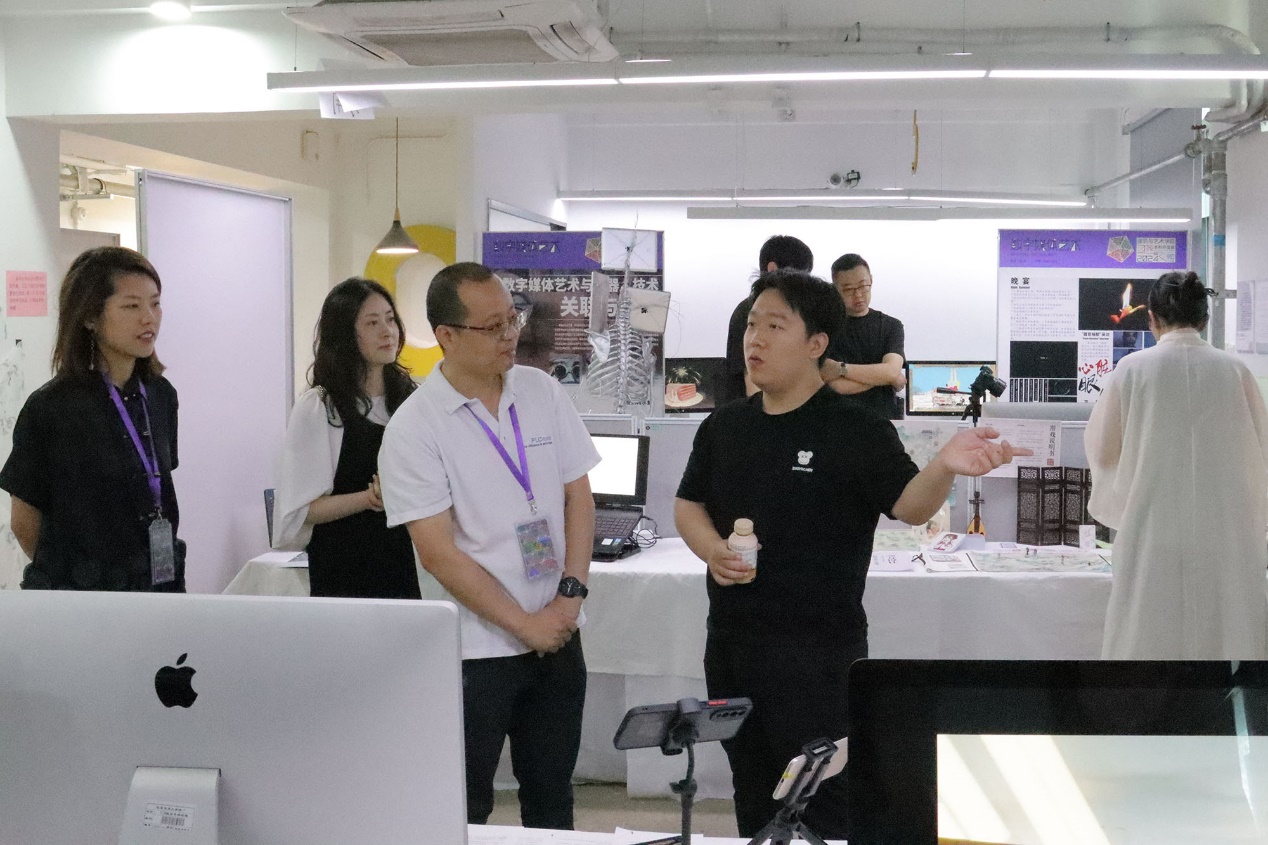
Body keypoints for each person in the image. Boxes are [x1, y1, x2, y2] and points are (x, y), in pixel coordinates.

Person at [675, 269, 1028, 838]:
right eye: (751, 325)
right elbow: (688, 503)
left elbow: (910, 505)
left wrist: (944, 465)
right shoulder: (726, 425)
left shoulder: (855, 430)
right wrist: (712, 550)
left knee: (821, 798)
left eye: (774, 326)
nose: (755, 339)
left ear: (816, 343)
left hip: (817, 655)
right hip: (733, 646)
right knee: (753, 787)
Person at [378, 261, 599, 829]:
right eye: (492, 326)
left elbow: (579, 497)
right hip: (474, 651)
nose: (509, 335)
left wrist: (569, 596)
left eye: (512, 319)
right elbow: (438, 554)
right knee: (465, 806)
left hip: (558, 632)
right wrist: (525, 626)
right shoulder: (415, 428)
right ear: (446, 336)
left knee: (552, 797)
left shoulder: (540, 390)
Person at [1086, 270, 1268, 660]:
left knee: (1147, 636)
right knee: (1227, 637)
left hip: (1151, 529)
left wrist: (1123, 497)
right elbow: (1261, 452)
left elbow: (1102, 451)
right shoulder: (1235, 371)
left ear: (1151, 318)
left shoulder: (1132, 370)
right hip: (1226, 533)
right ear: (1205, 319)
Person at [0, 246, 184, 591]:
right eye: (132, 306)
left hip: (157, 586)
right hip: (82, 598)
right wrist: (75, 577)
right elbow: (24, 522)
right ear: (90, 318)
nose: (149, 318)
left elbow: (157, 486)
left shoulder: (160, 396)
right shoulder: (51, 407)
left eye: (155, 303)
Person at [271, 278, 420, 599]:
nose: (387, 331)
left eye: (390, 319)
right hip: (343, 564)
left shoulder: (413, 399)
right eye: (372, 323)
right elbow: (301, 510)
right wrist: (369, 498)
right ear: (345, 335)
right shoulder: (320, 406)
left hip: (405, 558)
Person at [721, 235, 814, 404]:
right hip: (753, 411)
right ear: (772, 269)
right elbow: (753, 384)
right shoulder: (750, 312)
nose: (804, 284)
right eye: (800, 275)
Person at [820, 254, 906, 420]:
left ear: (871, 280)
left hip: (883, 422)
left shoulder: (891, 326)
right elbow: (837, 386)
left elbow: (891, 371)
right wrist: (885, 379)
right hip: (838, 420)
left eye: (863, 286)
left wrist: (840, 369)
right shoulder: (826, 328)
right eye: (848, 289)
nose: (858, 295)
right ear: (835, 289)